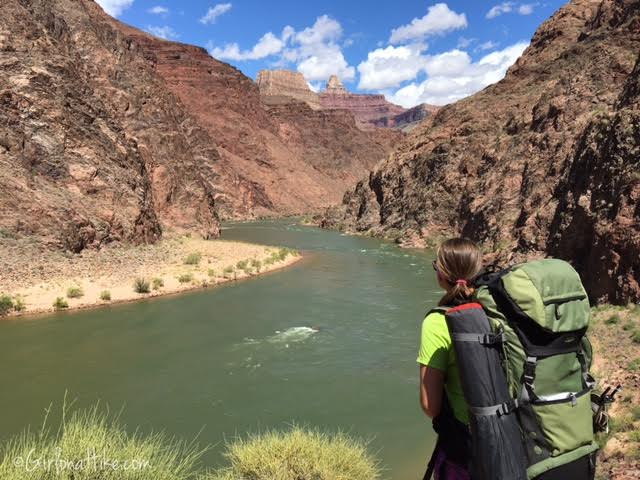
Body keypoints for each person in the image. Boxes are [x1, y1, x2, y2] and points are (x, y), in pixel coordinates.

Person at [418, 238, 483, 479]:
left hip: (463, 443)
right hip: (510, 433)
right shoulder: (494, 308)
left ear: (442, 273)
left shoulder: (437, 321)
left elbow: (430, 406)